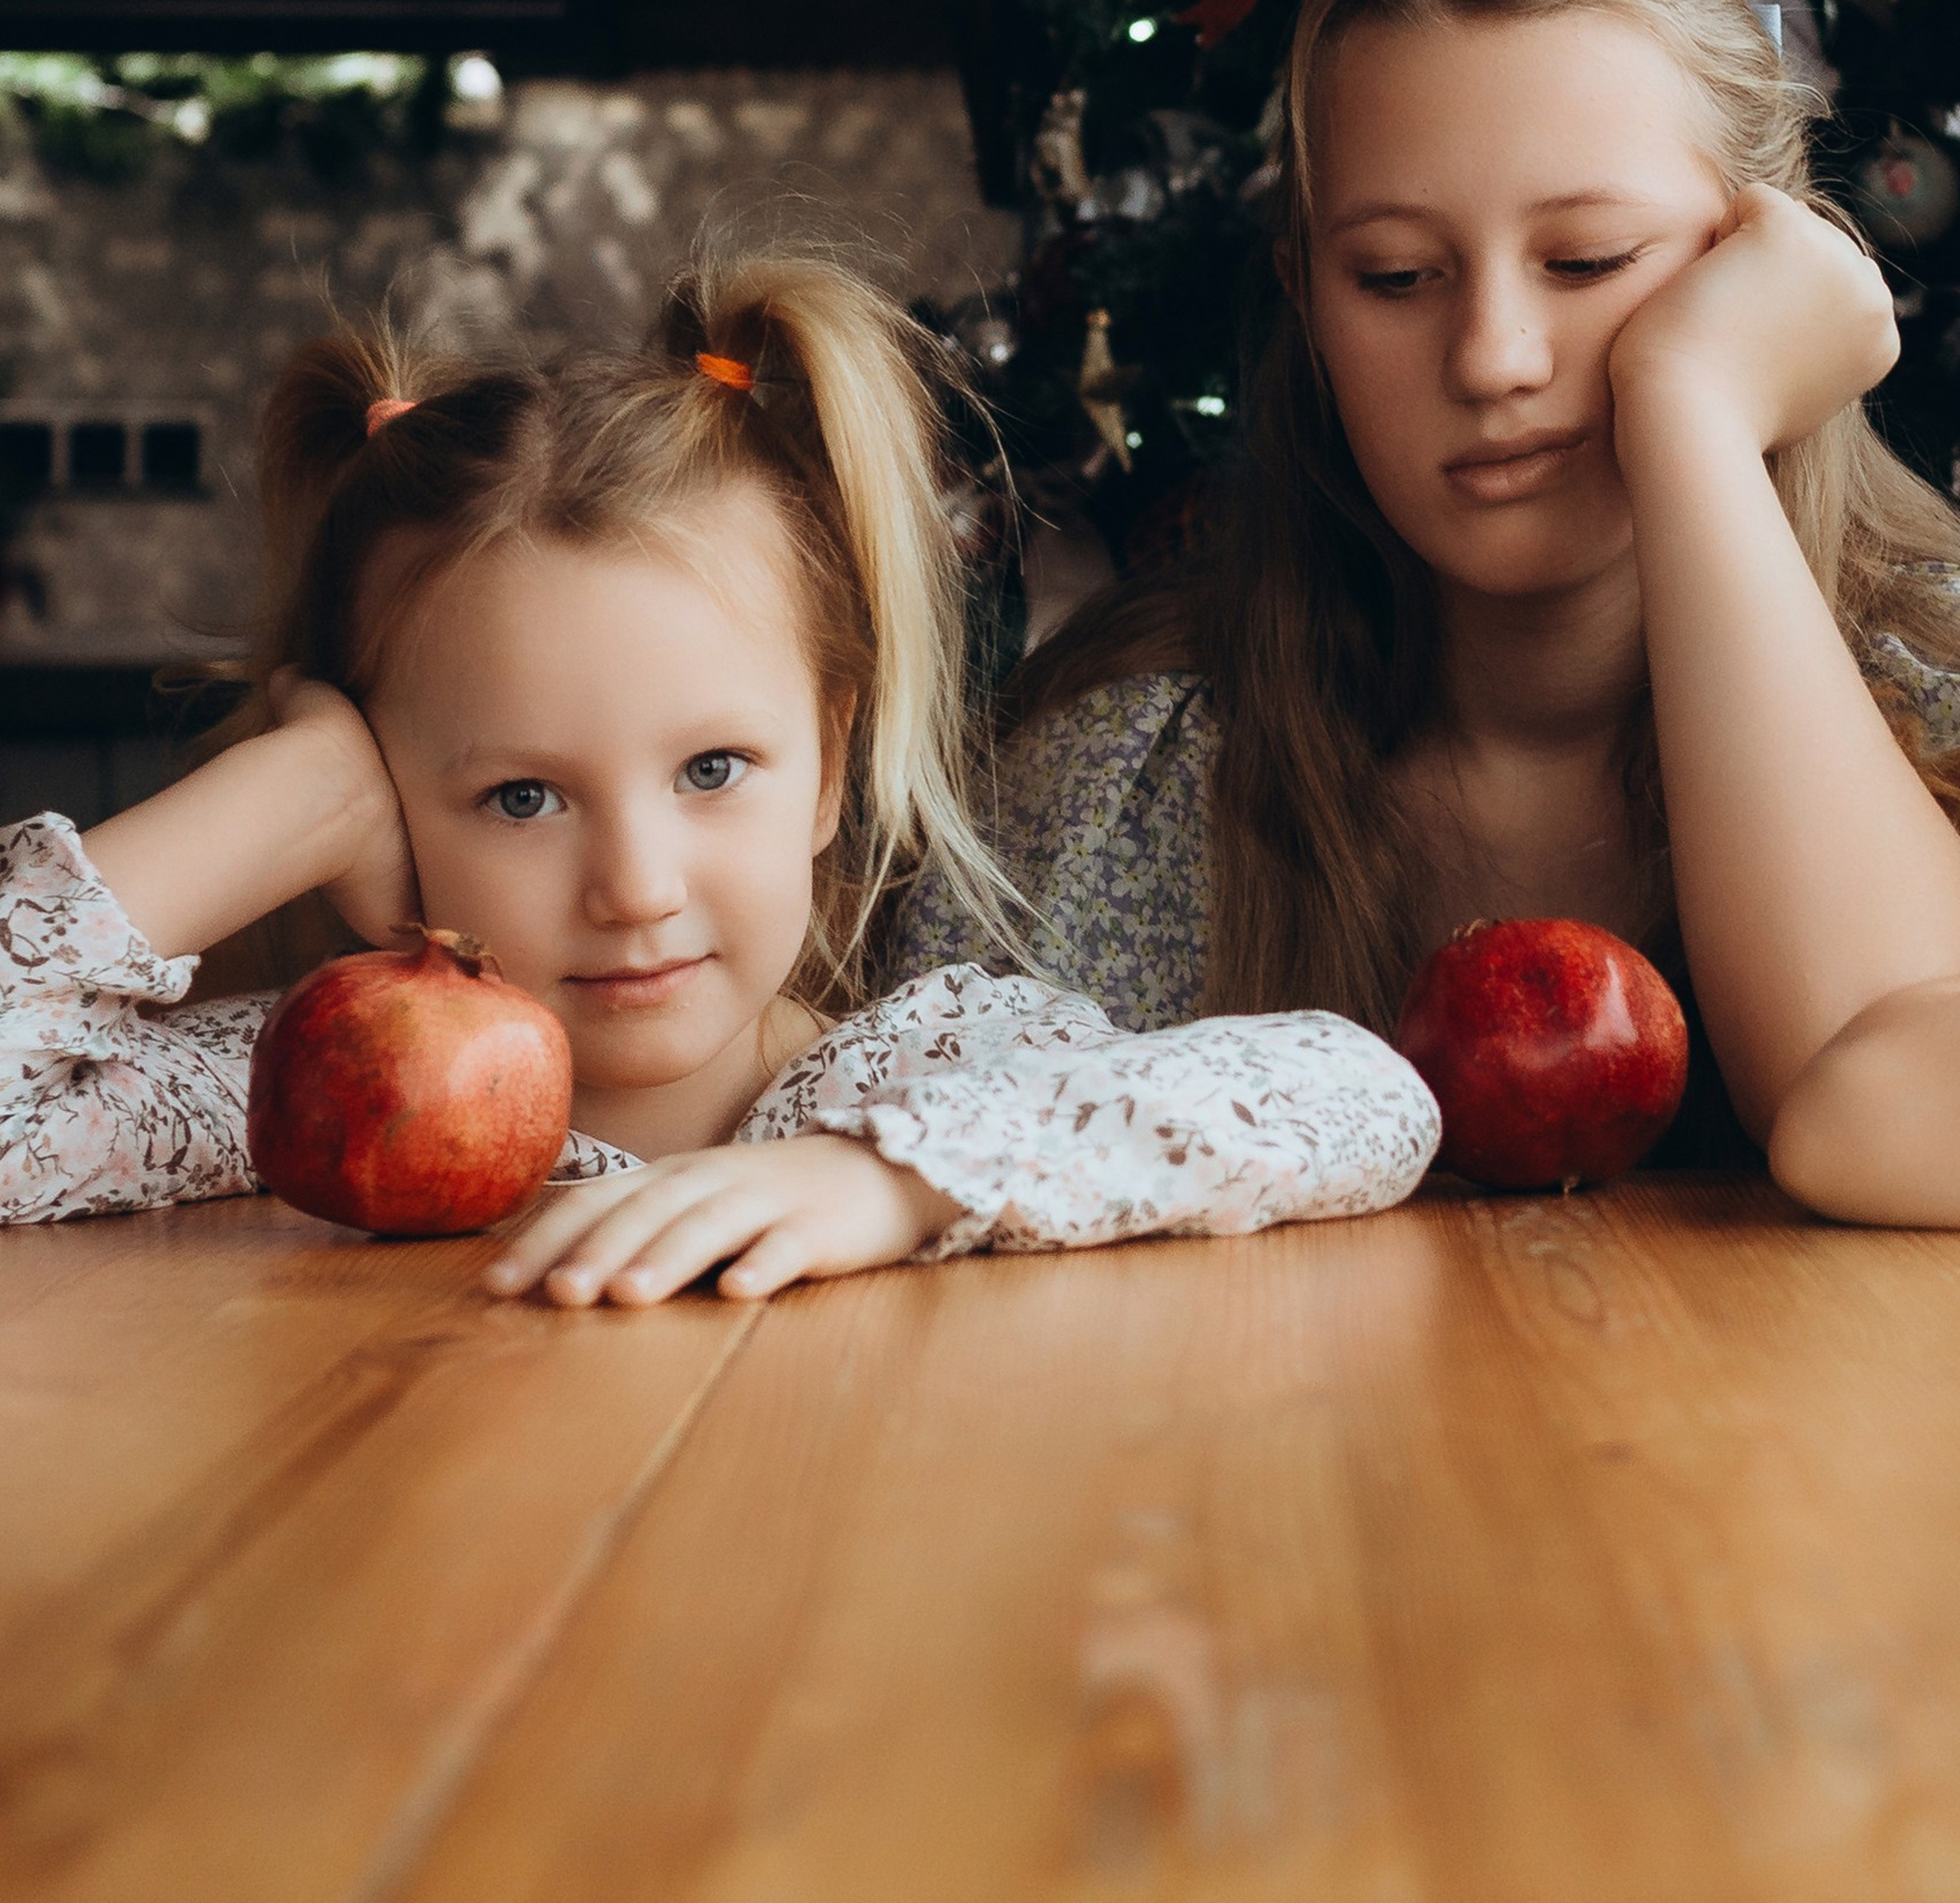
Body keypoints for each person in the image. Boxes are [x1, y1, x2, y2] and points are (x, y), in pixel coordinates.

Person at [897, 0, 1960, 1227]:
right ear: (1308, 301)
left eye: (1589, 263)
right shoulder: (1126, 784)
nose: (1494, 355)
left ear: (1762, 266)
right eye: (1398, 276)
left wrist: (1694, 413)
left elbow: (1870, 1089)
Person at [0, 248, 1437, 1291]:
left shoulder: (929, 1078)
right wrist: (287, 795)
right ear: (388, 804)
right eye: (522, 797)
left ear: (829, 765)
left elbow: (1362, 1099)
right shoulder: (290, 1117)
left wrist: (882, 1182)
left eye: (713, 770)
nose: (636, 889)